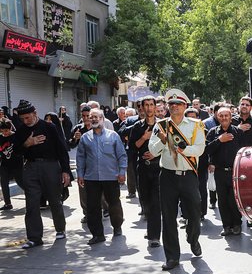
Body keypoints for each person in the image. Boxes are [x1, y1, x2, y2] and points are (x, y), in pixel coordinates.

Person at [148, 89, 206, 271]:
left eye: (178, 104)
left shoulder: (196, 125)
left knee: (195, 211)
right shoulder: (161, 125)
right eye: (171, 104)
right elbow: (152, 150)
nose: (174, 107)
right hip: (168, 176)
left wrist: (181, 148)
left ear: (185, 106)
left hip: (188, 175)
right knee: (169, 217)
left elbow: (199, 149)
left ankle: (193, 237)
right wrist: (165, 141)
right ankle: (172, 256)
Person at [13, 100, 71, 248]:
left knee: (54, 200)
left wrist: (65, 170)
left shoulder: (49, 127)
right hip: (30, 167)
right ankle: (34, 237)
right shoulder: (21, 131)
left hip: (51, 166)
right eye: (22, 119)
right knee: (32, 203)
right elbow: (16, 152)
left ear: (35, 113)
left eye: (28, 117)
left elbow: (62, 149)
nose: (25, 121)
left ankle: (60, 229)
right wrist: (28, 143)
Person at [76, 109, 127, 244]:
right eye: (91, 117)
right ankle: (97, 234)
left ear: (102, 119)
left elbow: (121, 155)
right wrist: (80, 174)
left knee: (114, 204)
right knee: (93, 207)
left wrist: (122, 172)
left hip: (111, 176)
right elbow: (80, 157)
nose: (93, 119)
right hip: (91, 178)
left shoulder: (113, 136)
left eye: (96, 117)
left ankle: (117, 226)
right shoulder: (85, 138)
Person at [205, 106, 244, 236]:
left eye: (226, 115)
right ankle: (226, 226)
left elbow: (245, 151)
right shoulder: (212, 132)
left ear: (231, 117)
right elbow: (207, 150)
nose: (224, 118)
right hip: (219, 171)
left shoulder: (238, 132)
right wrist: (219, 140)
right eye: (221, 116)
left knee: (234, 200)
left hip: (235, 172)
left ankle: (237, 224)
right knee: (222, 200)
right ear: (217, 117)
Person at [129, 96, 162, 247]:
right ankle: (151, 228)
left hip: (159, 168)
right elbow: (133, 147)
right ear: (141, 108)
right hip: (142, 168)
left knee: (156, 202)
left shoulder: (162, 125)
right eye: (146, 105)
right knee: (146, 201)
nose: (149, 108)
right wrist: (144, 137)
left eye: (151, 105)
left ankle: (154, 236)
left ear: (155, 107)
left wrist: (156, 153)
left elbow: (170, 146)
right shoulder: (137, 126)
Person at [0, 118, 24, 210]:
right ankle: (7, 203)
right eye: (2, 131)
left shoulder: (16, 136)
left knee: (20, 182)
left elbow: (22, 149)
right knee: (4, 183)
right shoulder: (1, 137)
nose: (4, 133)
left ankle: (36, 197)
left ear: (10, 128)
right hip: (5, 164)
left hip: (17, 164)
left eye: (6, 131)